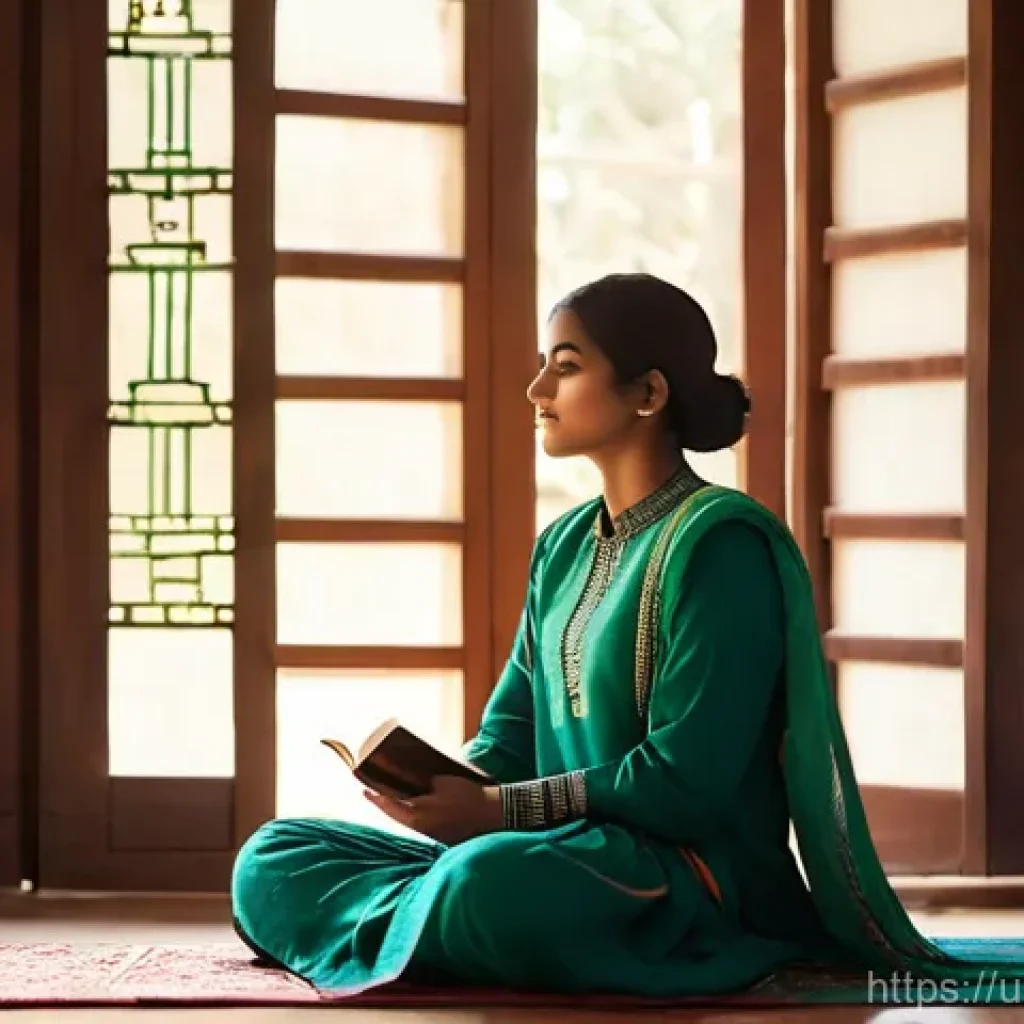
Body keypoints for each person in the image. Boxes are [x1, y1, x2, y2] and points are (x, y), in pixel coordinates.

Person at [232, 273, 1024, 1002]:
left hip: (685, 876)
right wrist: (440, 791)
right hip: (552, 849)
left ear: (647, 392)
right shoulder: (565, 544)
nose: (537, 388)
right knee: (273, 855)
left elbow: (687, 783)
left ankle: (425, 924)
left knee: (484, 884)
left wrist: (495, 813)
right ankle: (435, 922)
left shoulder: (720, 547)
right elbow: (510, 734)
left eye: (566, 366)